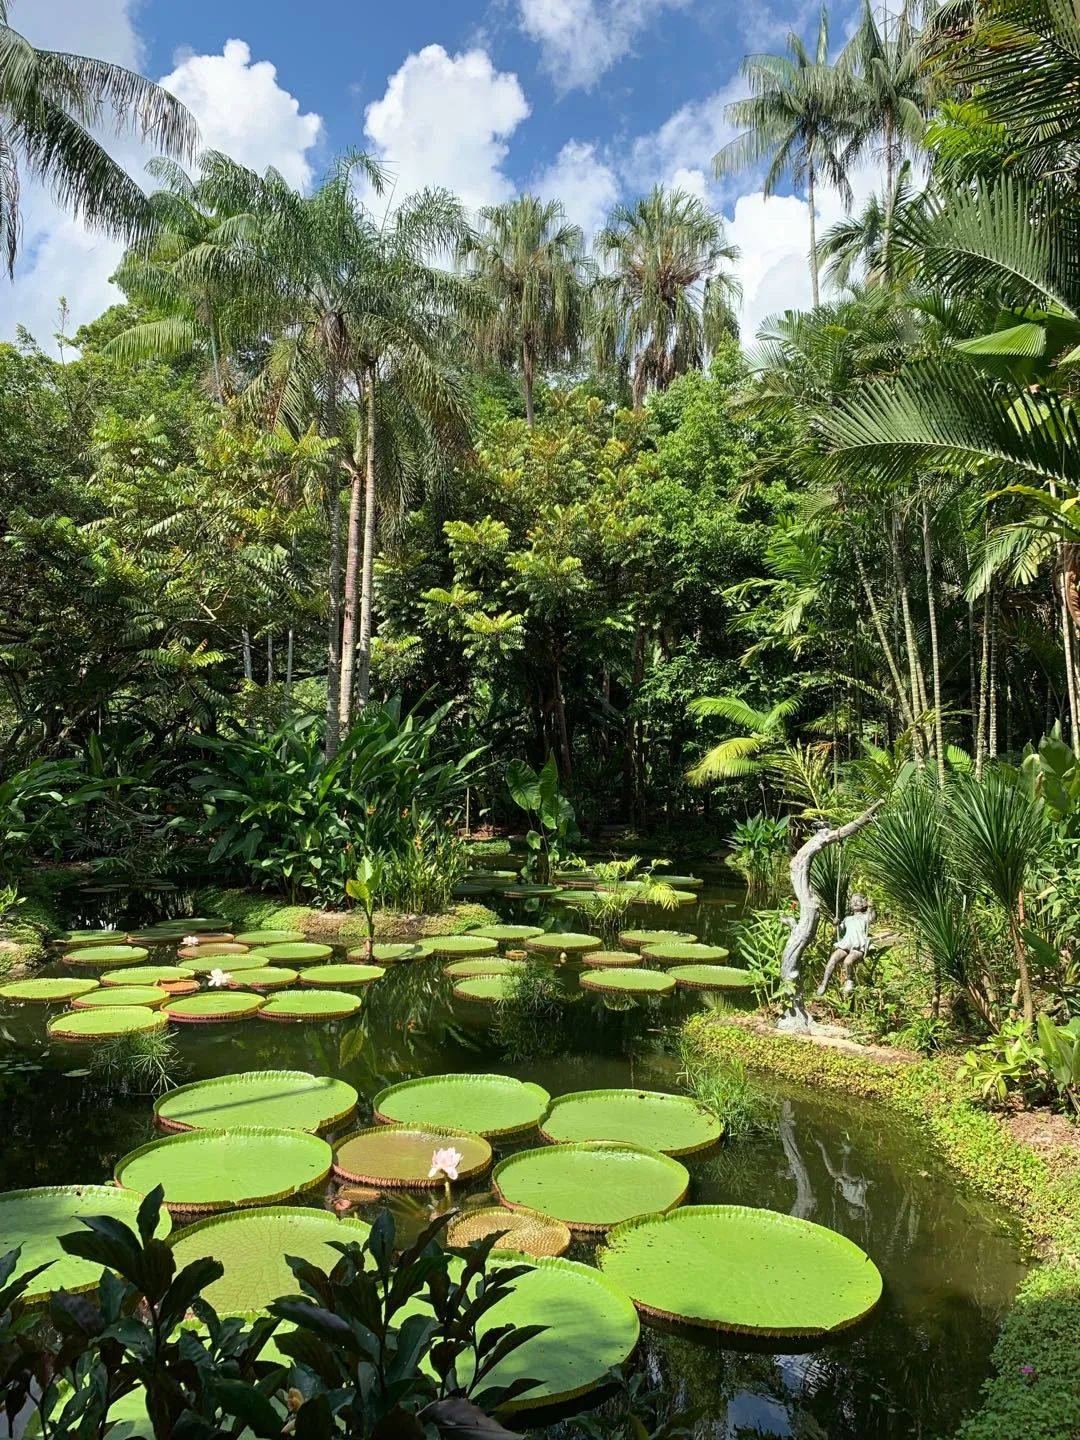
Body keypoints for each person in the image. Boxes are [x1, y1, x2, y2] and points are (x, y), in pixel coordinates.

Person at [816, 893, 875, 997]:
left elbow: (873, 917)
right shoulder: (848, 918)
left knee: (848, 962)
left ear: (863, 904)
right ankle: (824, 983)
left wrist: (872, 906)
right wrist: (836, 924)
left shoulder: (866, 917)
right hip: (846, 944)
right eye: (853, 902)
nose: (855, 903)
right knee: (833, 959)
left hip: (858, 946)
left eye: (858, 901)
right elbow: (839, 930)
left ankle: (849, 980)